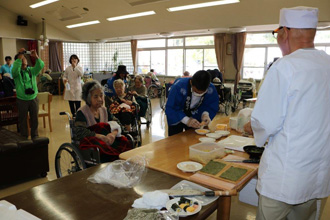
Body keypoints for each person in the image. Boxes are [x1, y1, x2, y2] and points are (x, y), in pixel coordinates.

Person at [244, 7, 330, 220]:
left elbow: (265, 122)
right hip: (318, 174)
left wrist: (250, 126)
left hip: (285, 178)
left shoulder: (285, 67)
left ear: (286, 32)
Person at [75, 80, 132, 162]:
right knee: (103, 149)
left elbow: (117, 123)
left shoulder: (104, 110)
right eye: (95, 97)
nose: (100, 99)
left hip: (108, 139)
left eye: (101, 95)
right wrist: (100, 136)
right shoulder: (82, 112)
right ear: (88, 99)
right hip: (94, 143)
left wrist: (113, 134)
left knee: (125, 142)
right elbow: (79, 132)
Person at [165, 70, 219, 136]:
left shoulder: (210, 88)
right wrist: (186, 120)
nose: (199, 94)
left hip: (195, 115)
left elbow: (211, 104)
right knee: (175, 140)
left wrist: (205, 114)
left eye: (202, 92)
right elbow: (171, 107)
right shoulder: (178, 86)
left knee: (193, 138)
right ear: (191, 82)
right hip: (177, 115)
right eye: (196, 91)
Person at [12, 48, 44, 139]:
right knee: (22, 120)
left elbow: (41, 65)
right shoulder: (17, 73)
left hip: (33, 98)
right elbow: (14, 71)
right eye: (21, 59)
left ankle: (35, 136)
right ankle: (24, 137)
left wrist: (36, 57)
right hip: (22, 99)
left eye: (24, 58)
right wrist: (19, 56)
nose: (23, 60)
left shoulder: (31, 70)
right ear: (18, 61)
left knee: (35, 119)